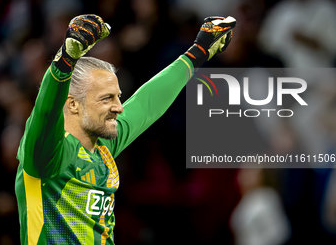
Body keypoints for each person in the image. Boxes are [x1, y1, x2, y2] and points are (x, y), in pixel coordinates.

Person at [14, 14, 236, 244]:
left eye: (117, 98)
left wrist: (197, 52)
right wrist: (64, 62)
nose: (119, 107)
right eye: (107, 99)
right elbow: (45, 114)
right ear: (72, 103)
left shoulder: (102, 146)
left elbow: (147, 103)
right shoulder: (45, 156)